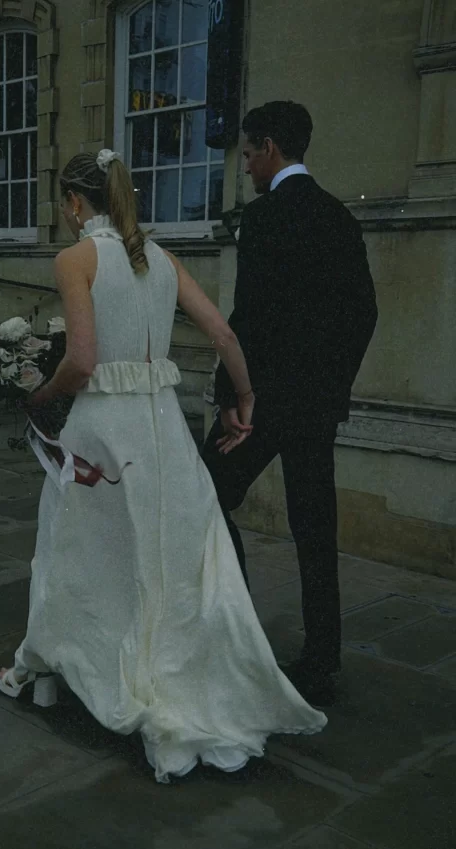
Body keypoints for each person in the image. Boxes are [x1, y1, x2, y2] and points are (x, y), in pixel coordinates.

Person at [0, 149, 327, 783]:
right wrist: (246, 402)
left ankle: (56, 666)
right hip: (164, 431)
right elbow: (225, 337)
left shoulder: (75, 259)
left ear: (74, 201)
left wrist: (37, 395)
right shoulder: (163, 258)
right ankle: (171, 667)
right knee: (170, 552)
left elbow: (83, 359)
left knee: (81, 549)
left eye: (64, 204)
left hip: (102, 430)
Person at [202, 101, 378, 707]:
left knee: (206, 493)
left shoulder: (267, 216)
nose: (246, 166)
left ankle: (237, 633)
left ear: (270, 148)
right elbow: (364, 314)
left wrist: (233, 398)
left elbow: (249, 318)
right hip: (316, 406)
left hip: (261, 404)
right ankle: (322, 659)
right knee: (314, 528)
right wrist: (332, 389)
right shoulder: (338, 217)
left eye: (248, 153)